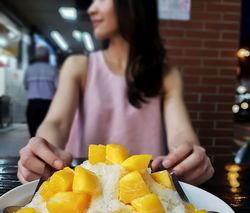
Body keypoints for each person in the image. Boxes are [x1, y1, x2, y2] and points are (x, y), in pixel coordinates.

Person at [18, 0, 214, 186]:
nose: (91, 9)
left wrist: (188, 155)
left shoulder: (167, 75)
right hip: (86, 192)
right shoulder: (79, 66)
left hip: (144, 191)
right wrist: (43, 151)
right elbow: (57, 123)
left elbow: (180, 132)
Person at [23, 46, 58, 137]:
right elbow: (57, 87)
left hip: (32, 104)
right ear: (47, 56)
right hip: (48, 104)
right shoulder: (52, 69)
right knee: (46, 132)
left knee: (33, 132)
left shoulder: (29, 69)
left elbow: (26, 86)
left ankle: (34, 149)